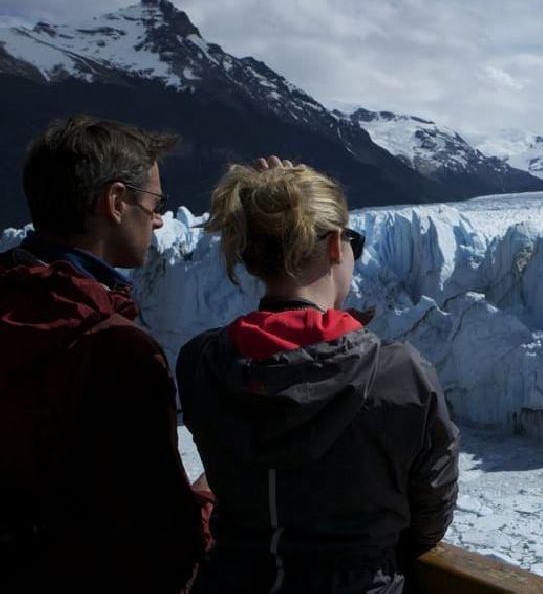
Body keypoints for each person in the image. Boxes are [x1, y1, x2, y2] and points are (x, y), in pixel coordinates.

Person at [176, 158, 459, 594]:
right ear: (333, 248)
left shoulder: (202, 364)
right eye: (352, 241)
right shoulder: (398, 375)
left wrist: (271, 195)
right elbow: (429, 514)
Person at [0, 115, 212, 593]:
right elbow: (158, 534)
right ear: (116, 202)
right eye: (156, 203)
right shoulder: (114, 348)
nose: (159, 219)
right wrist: (206, 500)